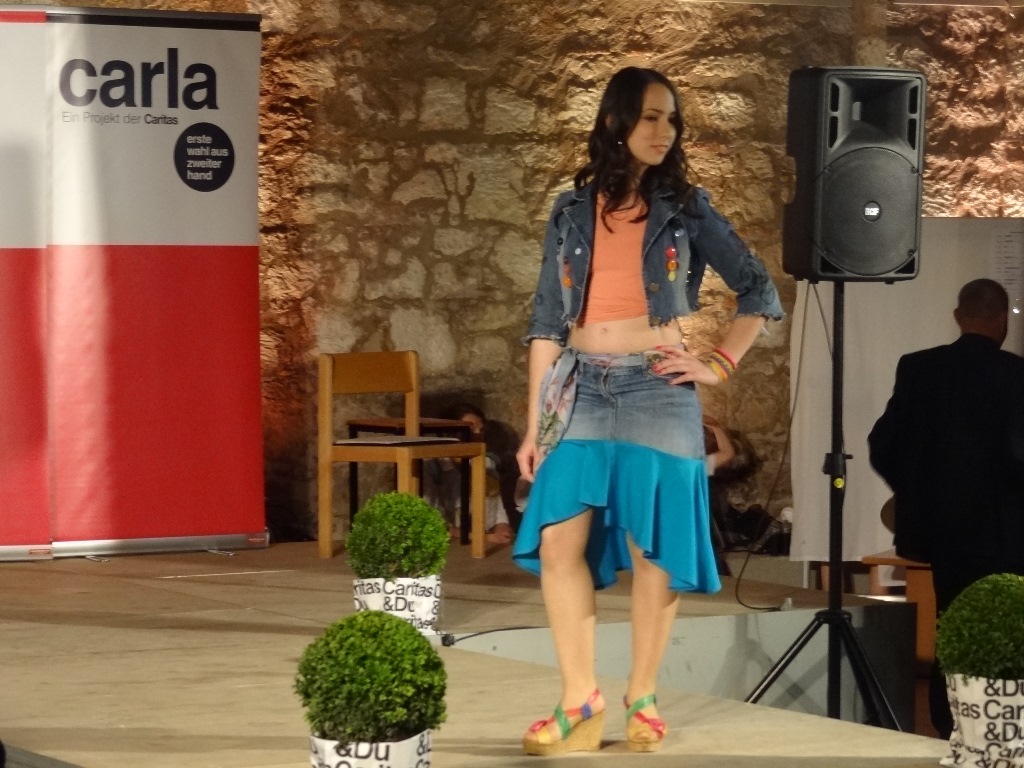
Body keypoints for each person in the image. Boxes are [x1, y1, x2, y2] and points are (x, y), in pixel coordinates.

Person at [512, 66, 783, 755]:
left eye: (672, 119)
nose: (665, 131)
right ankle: (579, 699)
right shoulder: (570, 210)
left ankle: (642, 695)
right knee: (557, 541)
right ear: (616, 122)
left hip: (655, 390)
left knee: (653, 548)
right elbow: (545, 322)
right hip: (579, 388)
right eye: (651, 117)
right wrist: (535, 423)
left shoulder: (685, 207)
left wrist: (717, 364)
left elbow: (758, 290)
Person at [868, 278, 1024, 739]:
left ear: (958, 316)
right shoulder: (1017, 375)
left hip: (942, 531)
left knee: (952, 619)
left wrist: (919, 494)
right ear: (1003, 320)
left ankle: (949, 721)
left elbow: (884, 444)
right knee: (1005, 627)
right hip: (1007, 530)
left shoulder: (919, 369)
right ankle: (1000, 729)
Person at [422, 403, 517, 544]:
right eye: (471, 429)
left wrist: (501, 525)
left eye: (481, 429)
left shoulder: (486, 462)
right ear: (450, 434)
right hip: (451, 543)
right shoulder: (431, 465)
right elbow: (431, 519)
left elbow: (495, 497)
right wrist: (484, 538)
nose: (478, 434)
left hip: (486, 537)